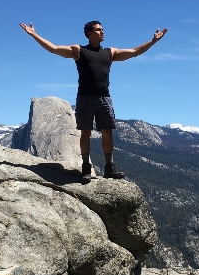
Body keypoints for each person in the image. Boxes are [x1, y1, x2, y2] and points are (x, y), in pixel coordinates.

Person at [19, 20, 168, 183]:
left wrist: (153, 41)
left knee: (107, 132)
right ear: (89, 34)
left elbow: (133, 52)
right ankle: (85, 167)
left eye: (102, 29)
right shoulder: (79, 51)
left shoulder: (110, 53)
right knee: (85, 133)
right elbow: (53, 48)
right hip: (85, 98)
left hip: (104, 97)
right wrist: (34, 35)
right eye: (98, 30)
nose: (102, 32)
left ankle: (109, 167)